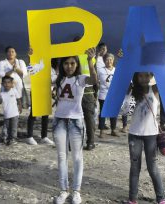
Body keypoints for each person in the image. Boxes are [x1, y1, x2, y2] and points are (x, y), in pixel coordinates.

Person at [52, 48, 97, 204]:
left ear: (76, 64)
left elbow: (94, 80)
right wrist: (33, 58)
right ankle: (63, 190)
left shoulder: (81, 79)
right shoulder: (57, 79)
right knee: (61, 157)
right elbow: (35, 76)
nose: (69, 66)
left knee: (77, 157)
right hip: (59, 121)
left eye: (72, 63)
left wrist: (91, 61)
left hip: (76, 122)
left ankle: (76, 191)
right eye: (66, 63)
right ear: (62, 65)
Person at [126, 72, 165, 204]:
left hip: (151, 134)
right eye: (140, 76)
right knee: (134, 167)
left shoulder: (155, 89)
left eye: (146, 76)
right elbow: (125, 108)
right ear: (136, 77)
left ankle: (161, 198)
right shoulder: (131, 90)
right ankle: (132, 199)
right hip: (134, 134)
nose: (144, 79)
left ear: (151, 76)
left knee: (153, 167)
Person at [26, 58, 58, 146]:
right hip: (37, 91)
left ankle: (44, 137)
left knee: (45, 114)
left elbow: (54, 83)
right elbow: (29, 69)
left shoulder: (55, 70)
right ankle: (29, 136)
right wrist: (30, 56)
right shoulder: (42, 66)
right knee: (34, 113)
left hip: (47, 92)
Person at [97, 53, 119, 138]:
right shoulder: (100, 70)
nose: (109, 61)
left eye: (111, 59)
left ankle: (113, 130)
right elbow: (96, 81)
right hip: (103, 95)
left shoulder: (116, 70)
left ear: (113, 60)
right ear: (104, 61)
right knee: (103, 113)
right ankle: (101, 131)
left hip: (113, 95)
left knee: (113, 113)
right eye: (107, 60)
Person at [0, 76, 22, 146]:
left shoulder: (14, 91)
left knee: (14, 127)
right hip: (7, 114)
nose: (7, 84)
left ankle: (13, 139)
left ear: (12, 84)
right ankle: (6, 138)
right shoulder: (1, 94)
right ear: (2, 84)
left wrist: (20, 107)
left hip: (15, 114)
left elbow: (18, 99)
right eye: (5, 83)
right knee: (7, 127)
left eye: (8, 82)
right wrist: (0, 100)